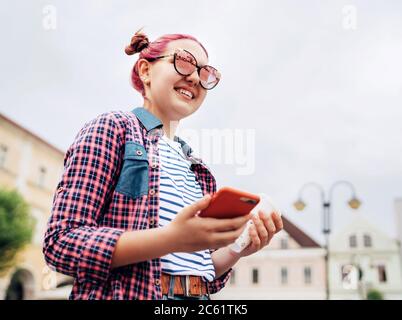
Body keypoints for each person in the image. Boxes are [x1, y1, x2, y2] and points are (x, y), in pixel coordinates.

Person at [43, 29, 283, 300]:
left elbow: (200, 274)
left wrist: (238, 248)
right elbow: (61, 243)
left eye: (205, 73)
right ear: (145, 70)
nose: (194, 77)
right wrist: (170, 238)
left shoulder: (199, 172)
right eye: (183, 61)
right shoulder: (113, 128)